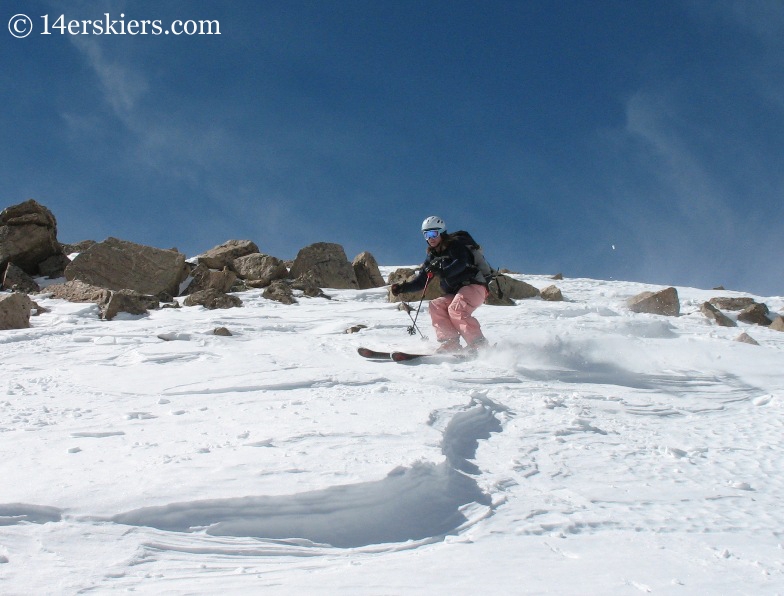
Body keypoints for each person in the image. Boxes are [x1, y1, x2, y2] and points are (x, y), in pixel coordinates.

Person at [391, 216, 489, 354]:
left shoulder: (455, 246)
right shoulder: (432, 256)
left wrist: (441, 271)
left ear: (442, 233)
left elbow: (460, 263)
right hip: (457, 292)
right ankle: (451, 343)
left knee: (456, 309)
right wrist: (403, 287)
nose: (430, 238)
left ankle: (479, 345)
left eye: (433, 234)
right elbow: (421, 281)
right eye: (426, 234)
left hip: (475, 286)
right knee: (436, 305)